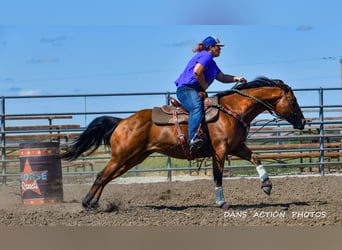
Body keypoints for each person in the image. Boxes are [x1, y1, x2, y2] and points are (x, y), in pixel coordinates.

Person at [175, 35, 247, 152]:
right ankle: (193, 138)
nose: (220, 49)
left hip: (192, 90)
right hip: (186, 89)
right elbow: (197, 72)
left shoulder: (211, 62)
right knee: (197, 107)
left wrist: (236, 78)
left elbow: (222, 77)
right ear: (211, 47)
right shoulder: (206, 56)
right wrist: (204, 86)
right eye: (218, 47)